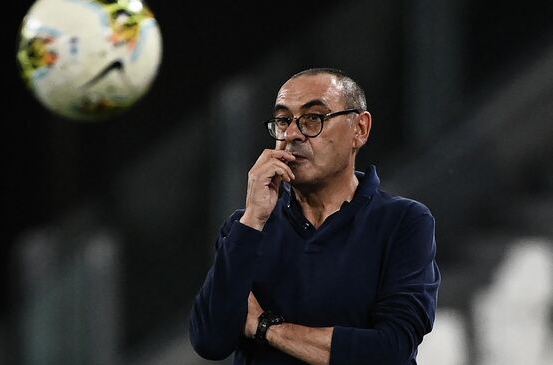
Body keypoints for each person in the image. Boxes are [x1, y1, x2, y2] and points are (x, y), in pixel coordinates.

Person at [189, 68, 440, 365]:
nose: (292, 134)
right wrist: (253, 219)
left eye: (313, 119)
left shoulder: (403, 221)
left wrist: (266, 328)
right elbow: (209, 341)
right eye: (283, 120)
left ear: (359, 129)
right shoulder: (245, 228)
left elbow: (391, 350)